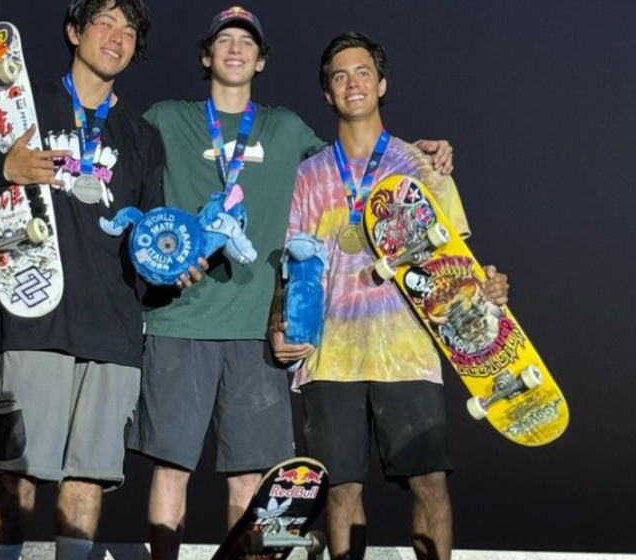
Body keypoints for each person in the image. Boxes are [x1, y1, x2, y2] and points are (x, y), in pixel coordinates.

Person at [127, 8, 455, 559]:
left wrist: (421, 150)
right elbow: (119, 168)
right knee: (170, 469)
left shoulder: (286, 129)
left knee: (253, 480)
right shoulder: (166, 117)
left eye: (247, 42)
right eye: (224, 40)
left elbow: (356, 158)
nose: (236, 49)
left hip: (258, 331)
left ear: (261, 60)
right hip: (178, 319)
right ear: (206, 54)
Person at [0, 1, 163, 558]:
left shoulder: (142, 135)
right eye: (104, 22)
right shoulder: (20, 103)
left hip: (114, 330)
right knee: (15, 475)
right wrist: (2, 169)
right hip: (34, 315)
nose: (117, 37)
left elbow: (149, 235)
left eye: (129, 30)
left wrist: (173, 263)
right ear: (74, 31)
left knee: (88, 482)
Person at [269, 32, 510, 560]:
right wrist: (278, 325)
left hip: (407, 350)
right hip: (329, 357)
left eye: (362, 73)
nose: (352, 83)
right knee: (340, 490)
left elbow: (455, 262)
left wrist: (488, 287)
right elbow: (291, 266)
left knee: (429, 483)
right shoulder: (308, 176)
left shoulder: (422, 165)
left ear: (381, 85)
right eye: (339, 76)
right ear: (328, 93)